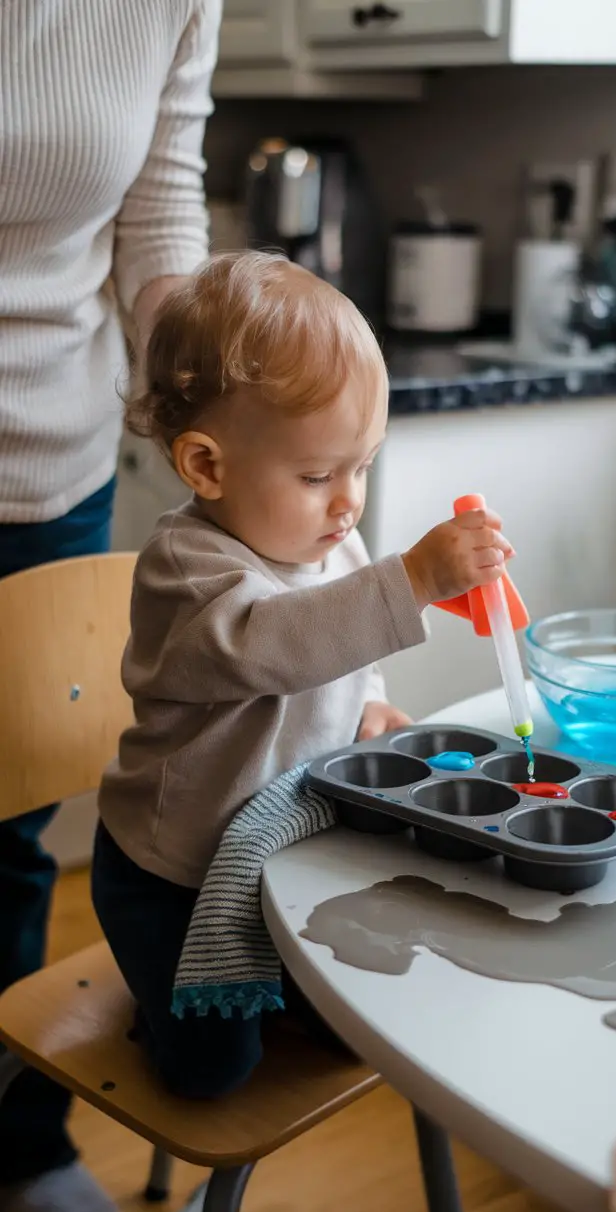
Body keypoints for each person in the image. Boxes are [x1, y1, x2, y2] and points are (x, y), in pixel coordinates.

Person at [92, 251, 515, 1101]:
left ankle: (272, 995)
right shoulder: (185, 568)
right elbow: (270, 644)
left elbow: (332, 662)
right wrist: (416, 580)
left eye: (361, 467)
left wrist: (368, 709)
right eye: (319, 475)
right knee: (213, 1075)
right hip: (172, 873)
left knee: (352, 1032)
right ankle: (157, 1020)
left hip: (283, 851)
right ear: (206, 467)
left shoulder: (331, 544)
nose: (348, 501)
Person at [0, 0, 221, 1212]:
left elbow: (158, 210)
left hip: (49, 464)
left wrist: (224, 400)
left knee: (13, 829)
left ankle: (11, 1137)